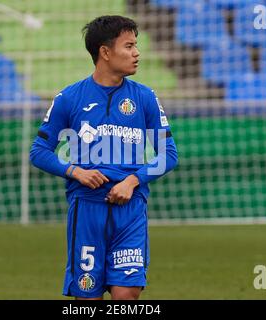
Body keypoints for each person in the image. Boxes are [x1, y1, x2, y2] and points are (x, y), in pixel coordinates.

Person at [30, 15, 178, 300]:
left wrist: (133, 181)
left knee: (126, 295)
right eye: (129, 46)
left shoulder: (145, 98)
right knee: (88, 298)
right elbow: (39, 152)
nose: (137, 53)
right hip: (87, 208)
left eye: (136, 46)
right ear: (105, 52)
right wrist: (76, 172)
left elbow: (168, 155)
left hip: (131, 209)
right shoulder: (69, 98)